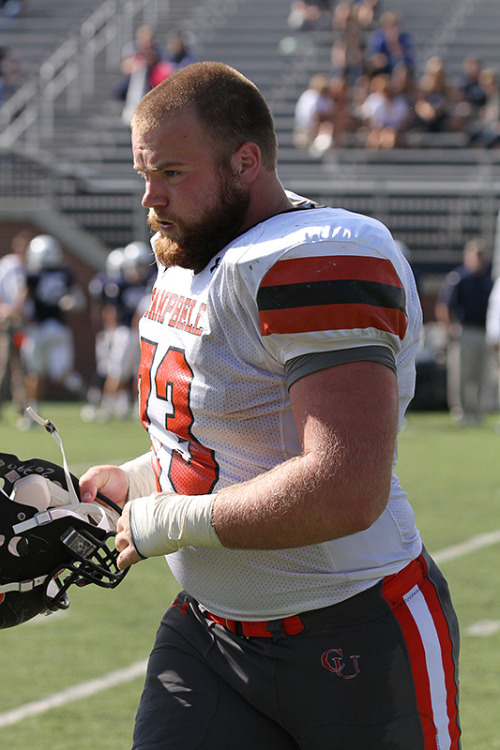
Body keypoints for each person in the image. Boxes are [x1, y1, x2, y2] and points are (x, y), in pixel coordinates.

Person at [80, 61, 461, 749]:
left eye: (171, 172)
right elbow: (221, 440)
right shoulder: (193, 254)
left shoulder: (313, 255)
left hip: (354, 633)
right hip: (209, 637)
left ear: (245, 161)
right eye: (144, 174)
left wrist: (167, 519)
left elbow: (344, 487)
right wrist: (136, 480)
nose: (150, 198)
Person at [18, 234, 86, 427]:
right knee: (60, 373)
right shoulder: (65, 273)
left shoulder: (32, 274)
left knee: (34, 373)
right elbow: (79, 300)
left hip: (37, 328)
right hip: (57, 328)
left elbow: (23, 299)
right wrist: (71, 303)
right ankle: (83, 390)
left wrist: (19, 317)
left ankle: (32, 413)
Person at [435, 237, 494, 425]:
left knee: (481, 373)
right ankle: (461, 411)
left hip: (483, 331)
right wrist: (449, 328)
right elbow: (444, 306)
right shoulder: (459, 278)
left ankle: (477, 411)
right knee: (461, 373)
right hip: (465, 330)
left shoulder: (488, 280)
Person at [0, 229, 30, 418]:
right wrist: (6, 310)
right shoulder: (7, 265)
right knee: (3, 367)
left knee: (23, 368)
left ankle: (22, 408)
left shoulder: (32, 268)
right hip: (7, 321)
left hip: (25, 324)